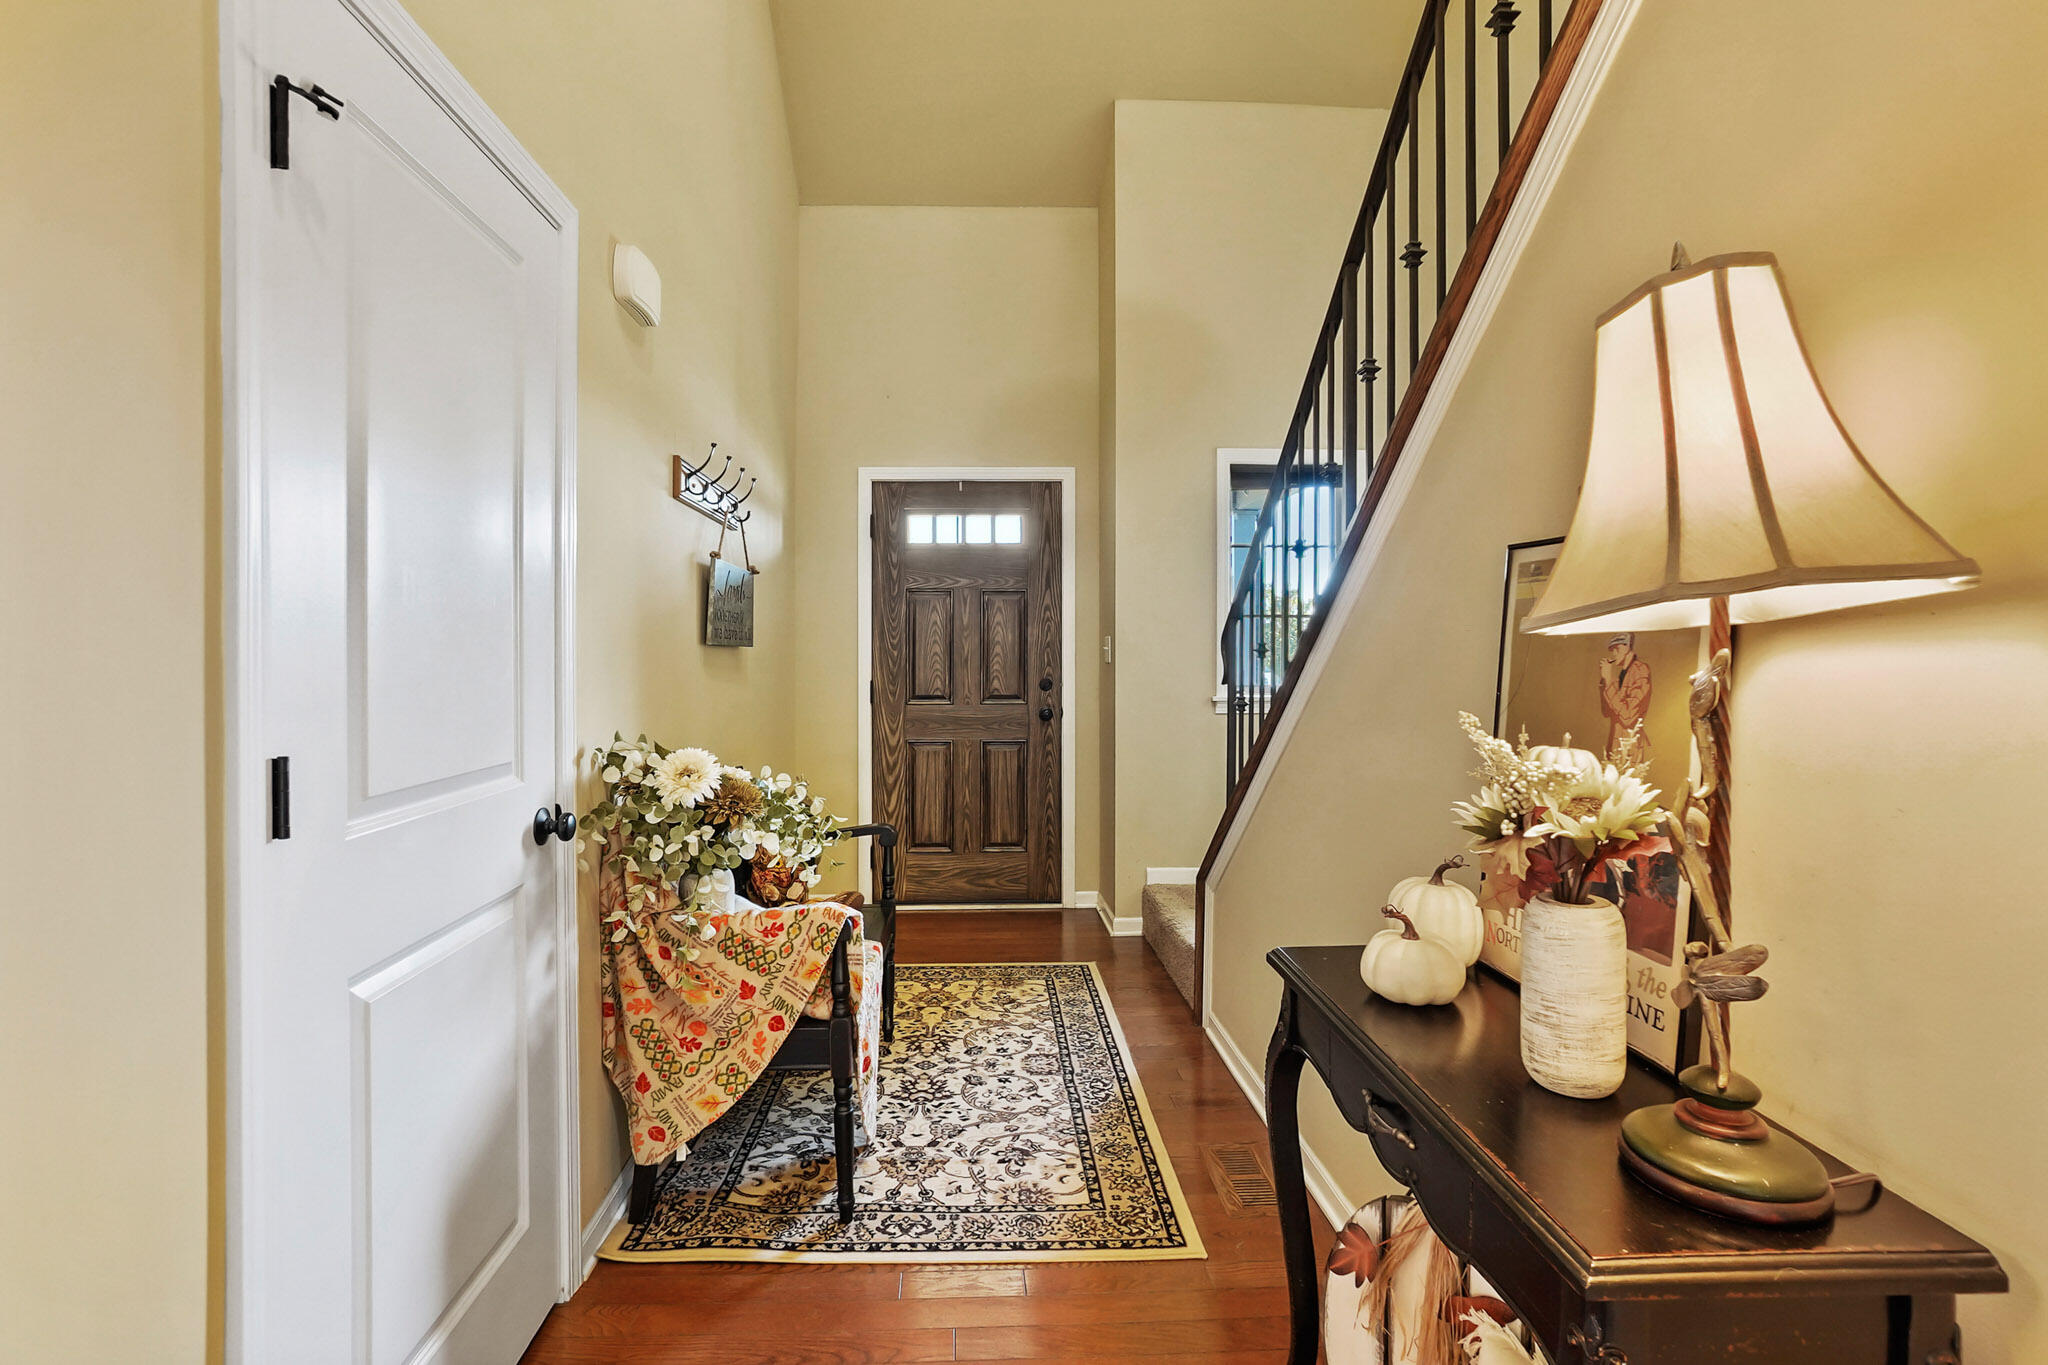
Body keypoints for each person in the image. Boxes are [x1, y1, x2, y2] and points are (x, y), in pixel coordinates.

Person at [1598, 632, 1651, 760]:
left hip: (1630, 746)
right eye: (1613, 650)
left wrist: (1609, 681)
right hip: (1615, 743)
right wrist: (1605, 681)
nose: (1614, 654)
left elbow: (1627, 715)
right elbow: (1606, 712)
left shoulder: (1640, 670)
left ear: (1627, 648)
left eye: (1617, 649)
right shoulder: (1620, 677)